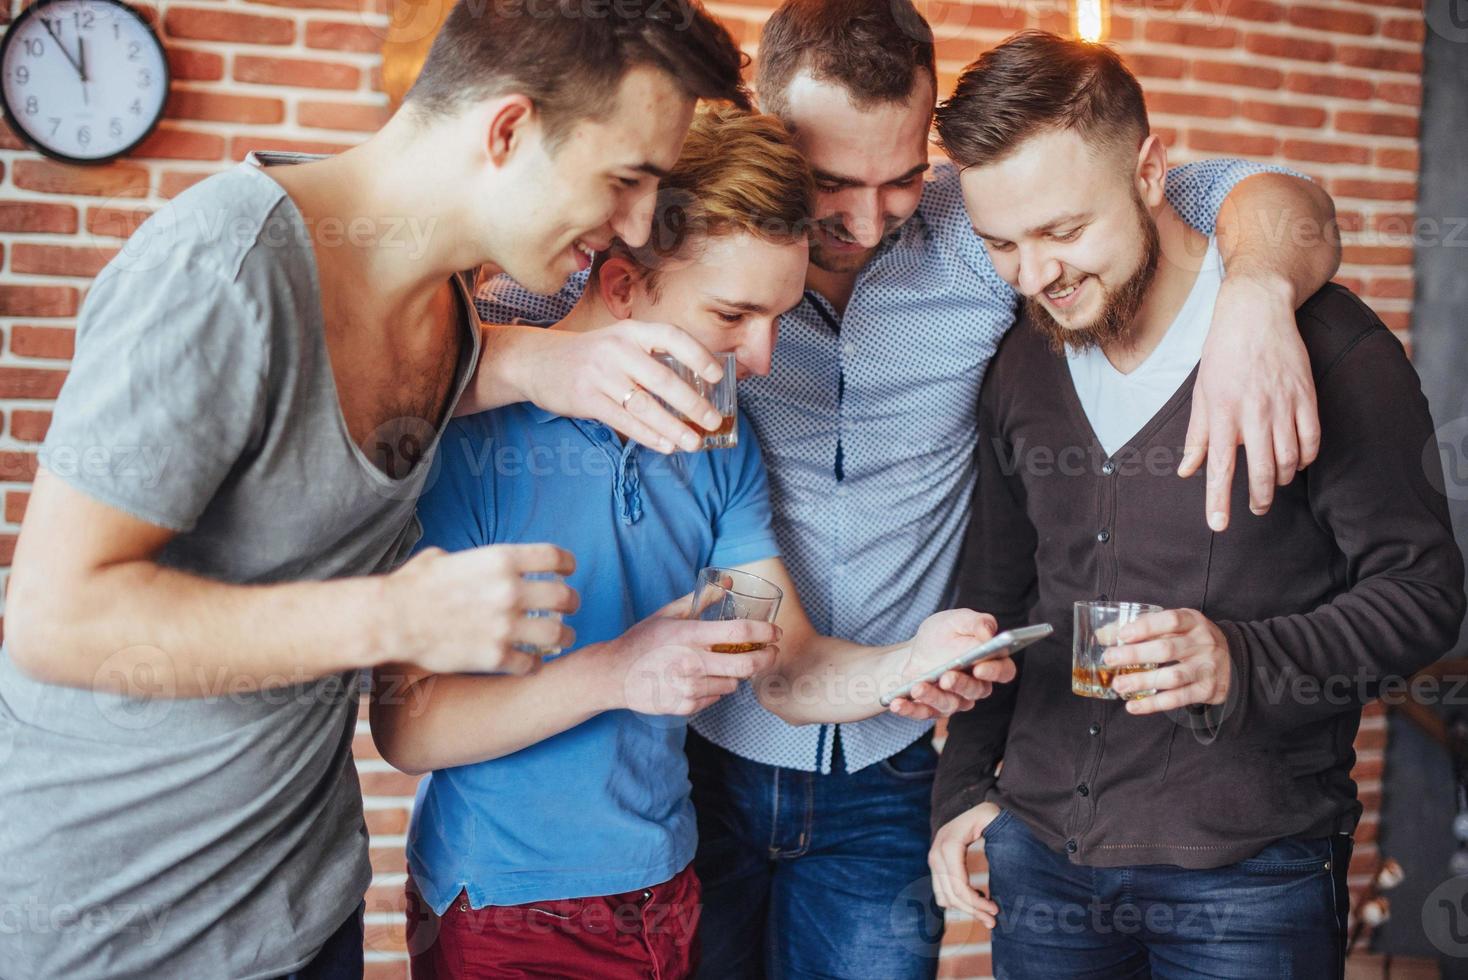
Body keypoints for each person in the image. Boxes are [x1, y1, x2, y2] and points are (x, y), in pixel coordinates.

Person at [477, 0, 1344, 974]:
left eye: (897, 178)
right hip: (696, 756)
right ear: (761, 104)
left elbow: (1279, 196)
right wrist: (520, 361)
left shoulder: (989, 235)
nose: (861, 219)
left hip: (888, 757)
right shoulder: (687, 233)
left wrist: (1259, 296)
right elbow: (448, 332)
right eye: (830, 182)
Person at [0, 3, 749, 977]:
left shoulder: (449, 308)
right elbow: (57, 617)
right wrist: (392, 613)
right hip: (117, 925)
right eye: (624, 182)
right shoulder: (223, 270)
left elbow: (382, 393)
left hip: (301, 903)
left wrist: (542, 365)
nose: (640, 227)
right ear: (508, 130)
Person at [372, 104, 1011, 980]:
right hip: (507, 902)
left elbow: (786, 668)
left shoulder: (719, 440)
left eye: (778, 318)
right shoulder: (476, 441)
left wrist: (914, 660)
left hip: (670, 887)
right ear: (627, 286)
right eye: (733, 315)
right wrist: (615, 672)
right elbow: (407, 724)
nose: (759, 358)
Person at [927, 31, 1467, 979]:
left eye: (1062, 232)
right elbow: (996, 590)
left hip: (1250, 881)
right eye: (1000, 244)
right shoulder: (1019, 359)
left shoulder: (1322, 344)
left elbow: (1424, 594)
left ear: (1149, 171)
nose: (1036, 276)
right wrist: (964, 789)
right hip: (1042, 862)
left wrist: (1240, 658)